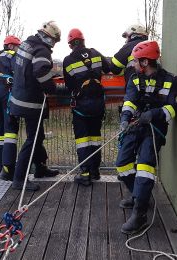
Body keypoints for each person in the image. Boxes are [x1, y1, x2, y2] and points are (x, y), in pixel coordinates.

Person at [116, 41, 177, 234]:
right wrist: (125, 120)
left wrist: (154, 115)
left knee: (144, 166)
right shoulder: (135, 79)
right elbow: (130, 101)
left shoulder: (171, 81)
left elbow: (172, 109)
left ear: (145, 61)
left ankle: (140, 213)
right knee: (122, 163)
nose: (134, 65)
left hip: (155, 129)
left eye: (136, 61)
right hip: (135, 126)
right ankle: (138, 194)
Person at [8, 21, 61, 191]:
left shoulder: (27, 43)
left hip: (18, 98)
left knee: (38, 136)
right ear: (50, 38)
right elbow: (39, 71)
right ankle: (19, 178)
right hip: (30, 102)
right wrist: (52, 88)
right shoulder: (42, 50)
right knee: (33, 139)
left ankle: (40, 168)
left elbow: (24, 68)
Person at [62, 28, 110, 186]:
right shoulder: (95, 53)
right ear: (83, 41)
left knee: (83, 140)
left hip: (81, 107)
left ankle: (85, 173)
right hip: (98, 104)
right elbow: (109, 67)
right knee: (95, 138)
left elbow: (69, 85)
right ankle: (95, 171)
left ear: (70, 44)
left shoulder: (68, 60)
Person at [0, 35, 21, 178]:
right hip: (6, 92)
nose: (18, 49)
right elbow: (18, 74)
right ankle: (8, 169)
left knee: (0, 132)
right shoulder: (12, 55)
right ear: (12, 46)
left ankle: (0, 168)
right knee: (10, 131)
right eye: (17, 46)